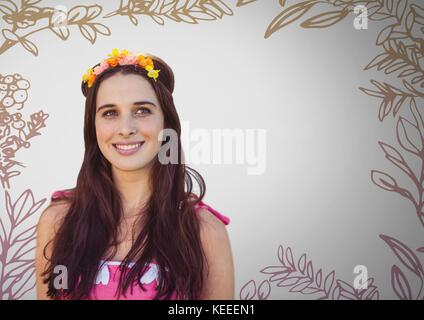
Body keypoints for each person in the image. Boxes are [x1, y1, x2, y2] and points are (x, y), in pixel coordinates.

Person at [35, 48, 235, 300]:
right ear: (93, 127)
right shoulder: (58, 220)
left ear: (167, 122)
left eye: (142, 110)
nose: (126, 128)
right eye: (110, 112)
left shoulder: (204, 231)